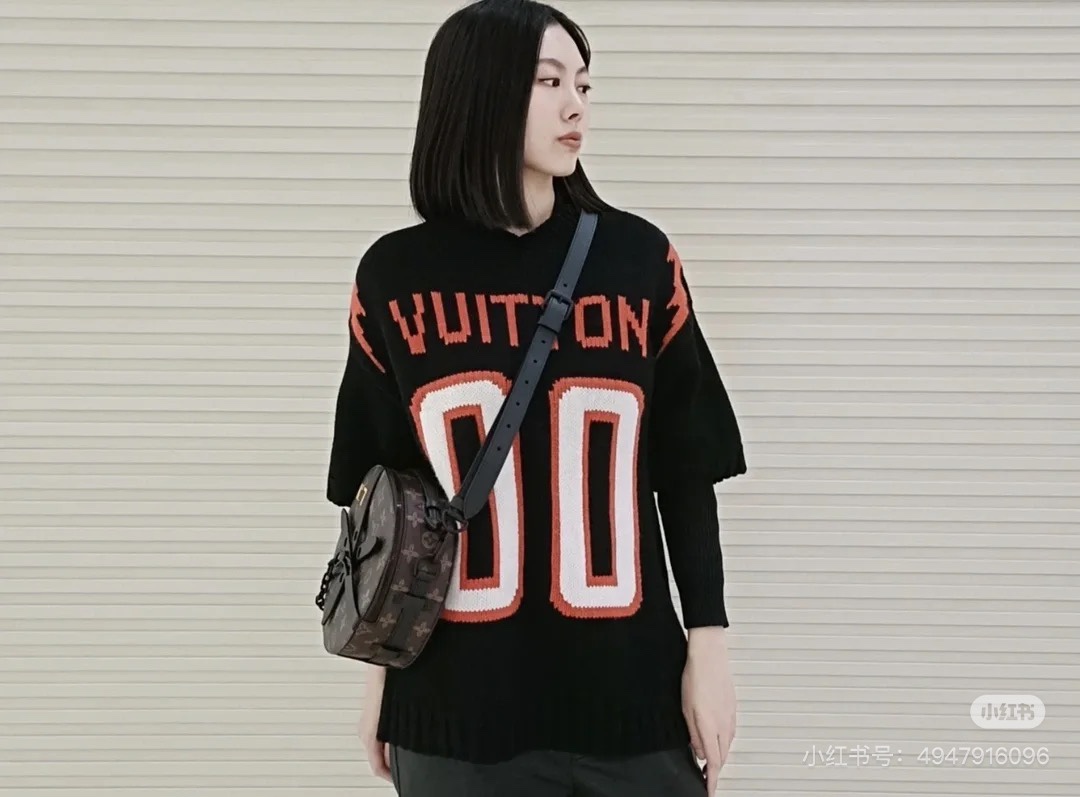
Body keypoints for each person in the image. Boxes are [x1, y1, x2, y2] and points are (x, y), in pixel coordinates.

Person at [325, 1, 747, 794]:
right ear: (479, 90)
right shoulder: (394, 277)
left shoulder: (639, 260)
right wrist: (378, 673)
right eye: (549, 81)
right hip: (452, 717)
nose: (575, 105)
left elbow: (686, 470)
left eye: (582, 84)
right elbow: (381, 496)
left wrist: (710, 643)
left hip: (634, 707)